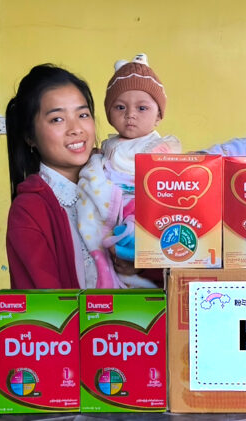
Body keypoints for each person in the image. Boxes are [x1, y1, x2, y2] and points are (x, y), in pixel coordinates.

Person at [77, 53, 181, 289]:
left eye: (142, 108)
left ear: (158, 116)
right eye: (120, 107)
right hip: (112, 208)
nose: (130, 114)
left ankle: (135, 258)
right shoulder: (108, 145)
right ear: (109, 113)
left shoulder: (159, 147)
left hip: (143, 209)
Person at [5, 65, 99, 289]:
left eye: (83, 115)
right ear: (30, 136)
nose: (76, 129)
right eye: (57, 119)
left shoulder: (116, 186)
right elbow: (48, 304)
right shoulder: (29, 210)